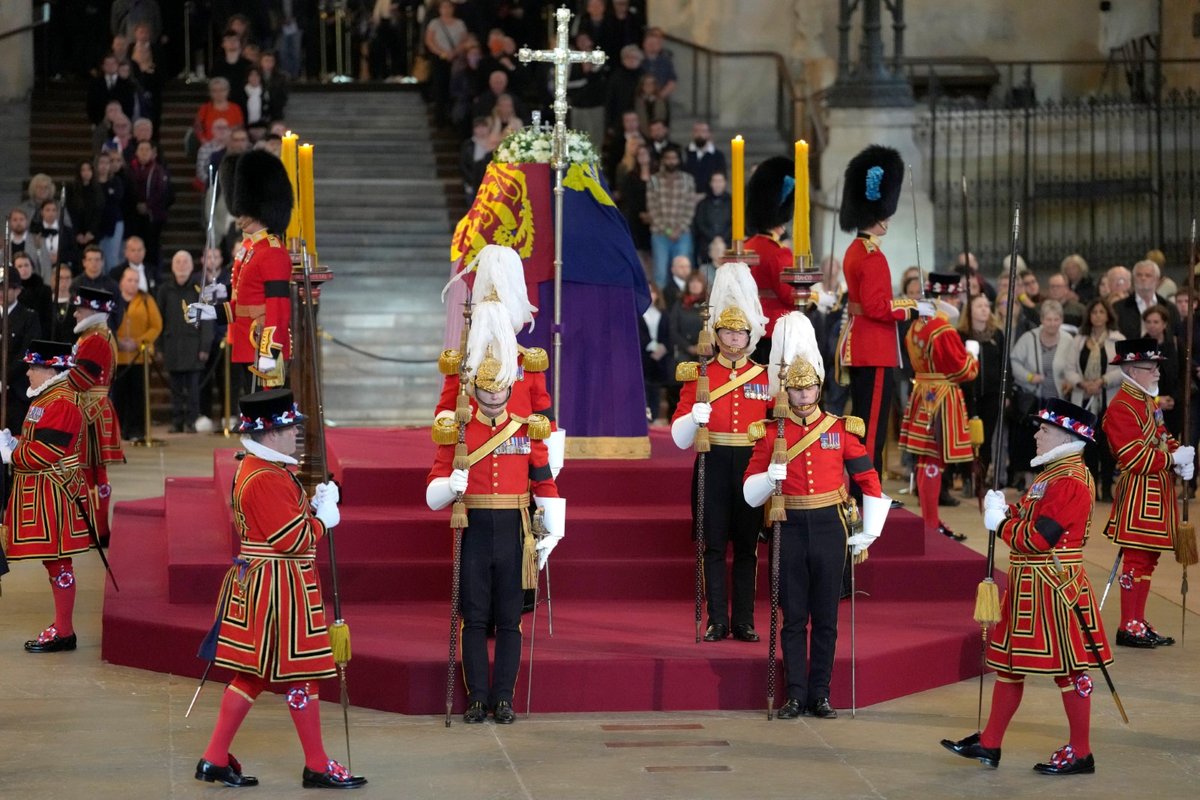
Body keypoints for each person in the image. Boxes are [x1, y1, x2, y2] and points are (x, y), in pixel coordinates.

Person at [194, 388, 366, 789]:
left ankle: (215, 757)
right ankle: (317, 765)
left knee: (252, 674)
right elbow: (293, 540)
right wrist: (324, 519)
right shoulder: (266, 476)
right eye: (290, 428)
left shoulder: (259, 467)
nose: (296, 435)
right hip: (280, 588)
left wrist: (312, 503)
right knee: (302, 673)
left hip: (266, 582)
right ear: (271, 433)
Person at [942, 398, 1113, 776]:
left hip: (1055, 589)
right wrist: (1005, 509)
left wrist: (999, 524)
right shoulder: (1051, 474)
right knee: (1009, 666)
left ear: (1068, 437)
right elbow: (1028, 515)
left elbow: (1038, 539)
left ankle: (1081, 751)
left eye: (1045, 430)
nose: (1037, 435)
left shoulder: (1069, 480)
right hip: (1030, 587)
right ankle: (990, 743)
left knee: (1069, 672)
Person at [742, 320, 886, 719]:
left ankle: (820, 693)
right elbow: (747, 491)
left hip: (829, 528)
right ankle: (795, 694)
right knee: (793, 618)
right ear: (785, 391)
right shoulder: (771, 434)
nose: (803, 395)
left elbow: (868, 479)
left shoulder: (839, 430)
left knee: (826, 617)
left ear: (819, 388)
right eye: (795, 389)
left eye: (808, 388)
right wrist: (767, 479)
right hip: (788, 526)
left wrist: (868, 532)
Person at [426, 327, 563, 725]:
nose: (492, 397)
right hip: (474, 527)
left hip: (515, 529)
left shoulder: (526, 428)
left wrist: (551, 531)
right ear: (474, 390)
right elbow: (431, 490)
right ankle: (476, 697)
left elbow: (544, 479)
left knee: (509, 618)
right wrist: (448, 486)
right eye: (485, 391)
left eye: (498, 391)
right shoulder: (458, 432)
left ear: (507, 390)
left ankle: (503, 697)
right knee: (473, 616)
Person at [671, 262, 770, 642]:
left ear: (750, 334)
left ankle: (743, 619)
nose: (733, 338)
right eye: (726, 331)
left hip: (750, 466)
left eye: (739, 331)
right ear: (717, 333)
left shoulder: (764, 376)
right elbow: (680, 438)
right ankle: (717, 619)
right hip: (711, 462)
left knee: (746, 547)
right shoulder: (699, 374)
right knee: (713, 546)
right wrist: (694, 418)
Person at [1, 340, 95, 652]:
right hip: (44, 490)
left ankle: (65, 631)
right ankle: (63, 627)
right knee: (54, 563)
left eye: (33, 367)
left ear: (51, 368)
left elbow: (45, 453)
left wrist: (12, 454)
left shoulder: (62, 402)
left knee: (58, 562)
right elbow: (34, 440)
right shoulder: (48, 397)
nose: (27, 372)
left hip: (55, 492)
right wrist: (13, 441)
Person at [436, 246, 562, 475]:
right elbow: (445, 408)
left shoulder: (527, 362)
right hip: (472, 458)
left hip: (520, 457)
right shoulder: (463, 364)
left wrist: (548, 469)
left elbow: (544, 416)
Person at [1101, 337, 1193, 648]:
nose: (1156, 373)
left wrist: (1182, 457)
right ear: (1131, 370)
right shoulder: (1120, 407)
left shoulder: (1147, 402)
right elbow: (1134, 457)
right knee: (1136, 560)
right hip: (1139, 494)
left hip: (1157, 493)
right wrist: (1171, 459)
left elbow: (1163, 436)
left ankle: (1137, 620)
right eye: (1151, 367)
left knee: (1148, 560)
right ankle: (1128, 624)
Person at [837, 145, 920, 486]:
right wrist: (911, 307)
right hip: (875, 348)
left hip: (863, 345)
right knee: (872, 427)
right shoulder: (871, 256)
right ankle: (866, 491)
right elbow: (877, 307)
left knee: (866, 422)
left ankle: (869, 487)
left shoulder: (856, 249)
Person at [188, 150, 294, 402]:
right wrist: (211, 311)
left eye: (244, 210)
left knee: (268, 414)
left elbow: (277, 307)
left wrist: (270, 351)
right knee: (253, 411)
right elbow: (243, 305)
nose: (240, 217)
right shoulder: (249, 251)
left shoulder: (272, 252)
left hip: (263, 345)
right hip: (248, 344)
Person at [899, 272, 979, 541]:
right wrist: (973, 357)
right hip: (942, 396)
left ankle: (930, 519)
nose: (958, 299)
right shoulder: (942, 329)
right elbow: (963, 370)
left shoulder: (917, 326)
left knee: (925, 459)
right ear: (947, 297)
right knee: (934, 459)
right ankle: (931, 522)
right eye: (955, 295)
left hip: (923, 393)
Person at [67, 285, 125, 543]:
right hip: (93, 409)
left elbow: (80, 379)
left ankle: (97, 529)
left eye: (79, 309)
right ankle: (96, 528)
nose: (75, 314)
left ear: (92, 310)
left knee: (92, 473)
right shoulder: (94, 336)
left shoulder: (95, 340)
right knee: (92, 473)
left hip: (92, 412)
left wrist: (53, 379)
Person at [1059, 298, 1124, 499]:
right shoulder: (1079, 340)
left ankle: (1106, 488)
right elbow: (1068, 369)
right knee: (1088, 446)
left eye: (1101, 312)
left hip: (1108, 399)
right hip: (1084, 399)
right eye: (1094, 312)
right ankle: (1091, 487)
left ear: (1108, 316)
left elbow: (1124, 368)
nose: (1097, 316)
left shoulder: (1117, 339)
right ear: (1089, 316)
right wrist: (1082, 383)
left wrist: (1103, 381)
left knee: (1107, 446)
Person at [1009, 299, 1072, 490]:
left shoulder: (1068, 340)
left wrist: (1070, 380)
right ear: (1042, 320)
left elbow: (1073, 365)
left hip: (1058, 401)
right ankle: (1029, 482)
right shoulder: (1029, 338)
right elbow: (1014, 361)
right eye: (1048, 319)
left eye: (1056, 319)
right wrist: (1029, 376)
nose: (1052, 323)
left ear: (1061, 320)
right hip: (1033, 400)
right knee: (1030, 440)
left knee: (1057, 440)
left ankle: (1053, 480)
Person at [745, 156, 798, 364]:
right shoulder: (779, 253)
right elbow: (789, 295)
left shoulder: (747, 246)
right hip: (777, 327)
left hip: (750, 327)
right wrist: (817, 297)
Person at [156, 251, 212, 433]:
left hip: (194, 346)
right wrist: (159, 346)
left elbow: (207, 319)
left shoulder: (199, 289)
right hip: (172, 345)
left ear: (191, 265)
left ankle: (192, 420)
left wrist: (205, 345)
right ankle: (177, 420)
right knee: (176, 388)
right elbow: (159, 320)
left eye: (185, 262)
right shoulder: (165, 290)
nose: (181, 265)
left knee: (194, 389)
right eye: (177, 262)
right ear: (172, 266)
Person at [112, 265, 162, 443]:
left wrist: (139, 341)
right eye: (129, 280)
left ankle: (136, 430)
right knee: (118, 397)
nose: (132, 284)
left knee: (137, 396)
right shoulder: (113, 300)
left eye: (135, 280)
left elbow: (156, 325)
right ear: (121, 282)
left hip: (139, 358)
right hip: (117, 358)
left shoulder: (146, 299)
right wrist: (116, 341)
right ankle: (117, 432)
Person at [958, 294, 1005, 488]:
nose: (985, 309)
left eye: (987, 306)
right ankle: (966, 476)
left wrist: (1006, 392)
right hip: (968, 395)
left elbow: (1004, 364)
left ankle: (981, 478)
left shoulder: (997, 335)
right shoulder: (961, 335)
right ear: (970, 311)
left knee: (985, 439)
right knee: (967, 438)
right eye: (979, 306)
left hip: (991, 395)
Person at [646, 145, 696, 289]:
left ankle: (685, 304)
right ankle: (661, 308)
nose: (671, 161)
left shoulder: (688, 180)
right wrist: (668, 231)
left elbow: (690, 207)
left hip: (683, 233)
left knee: (683, 271)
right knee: (660, 274)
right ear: (663, 160)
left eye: (674, 158)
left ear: (679, 160)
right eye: (668, 158)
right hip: (660, 234)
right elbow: (652, 209)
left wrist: (678, 229)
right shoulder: (654, 181)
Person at [2, 272, 43, 428]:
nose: (1, 293)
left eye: (6, 288)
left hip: (17, 391)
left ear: (18, 290)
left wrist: (4, 379)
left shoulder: (29, 317)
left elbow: (27, 352)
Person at [127, 139, 172, 276]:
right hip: (134, 216)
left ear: (153, 153)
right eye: (141, 149)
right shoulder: (131, 169)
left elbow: (162, 192)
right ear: (136, 152)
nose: (144, 153)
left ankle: (152, 275)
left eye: (147, 150)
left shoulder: (158, 170)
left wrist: (147, 205)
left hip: (153, 216)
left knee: (152, 249)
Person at [1115, 259, 1178, 341]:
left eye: (1148, 275)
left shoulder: (1169, 308)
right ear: (1133, 279)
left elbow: (1176, 335)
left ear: (1157, 279)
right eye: (1139, 275)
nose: (1143, 278)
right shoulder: (1118, 308)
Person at [640, 281, 674, 422]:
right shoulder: (638, 313)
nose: (650, 295)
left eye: (652, 292)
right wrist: (653, 346)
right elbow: (638, 333)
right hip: (643, 356)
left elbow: (669, 334)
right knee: (643, 389)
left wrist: (663, 348)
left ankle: (652, 418)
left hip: (660, 358)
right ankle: (643, 420)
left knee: (655, 391)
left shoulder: (663, 313)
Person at [692, 172, 730, 269]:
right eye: (715, 181)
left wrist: (721, 238)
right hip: (707, 243)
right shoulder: (703, 203)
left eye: (720, 181)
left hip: (728, 242)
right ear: (710, 183)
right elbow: (700, 223)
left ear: (725, 183)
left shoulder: (733, 202)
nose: (717, 184)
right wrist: (714, 238)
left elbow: (734, 224)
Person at [14, 252, 53, 342]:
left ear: (32, 267)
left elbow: (48, 319)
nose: (24, 269)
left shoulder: (45, 290)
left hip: (39, 336)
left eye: (26, 265)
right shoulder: (10, 291)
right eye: (19, 266)